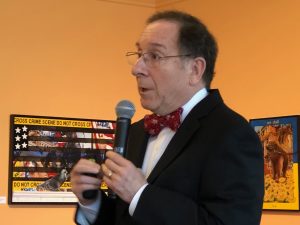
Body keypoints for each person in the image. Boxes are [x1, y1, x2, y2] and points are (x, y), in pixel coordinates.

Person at [71, 10, 264, 225]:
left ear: (195, 69)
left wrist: (140, 194)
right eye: (139, 55)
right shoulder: (136, 132)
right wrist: (91, 202)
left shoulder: (232, 134)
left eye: (154, 56)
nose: (136, 69)